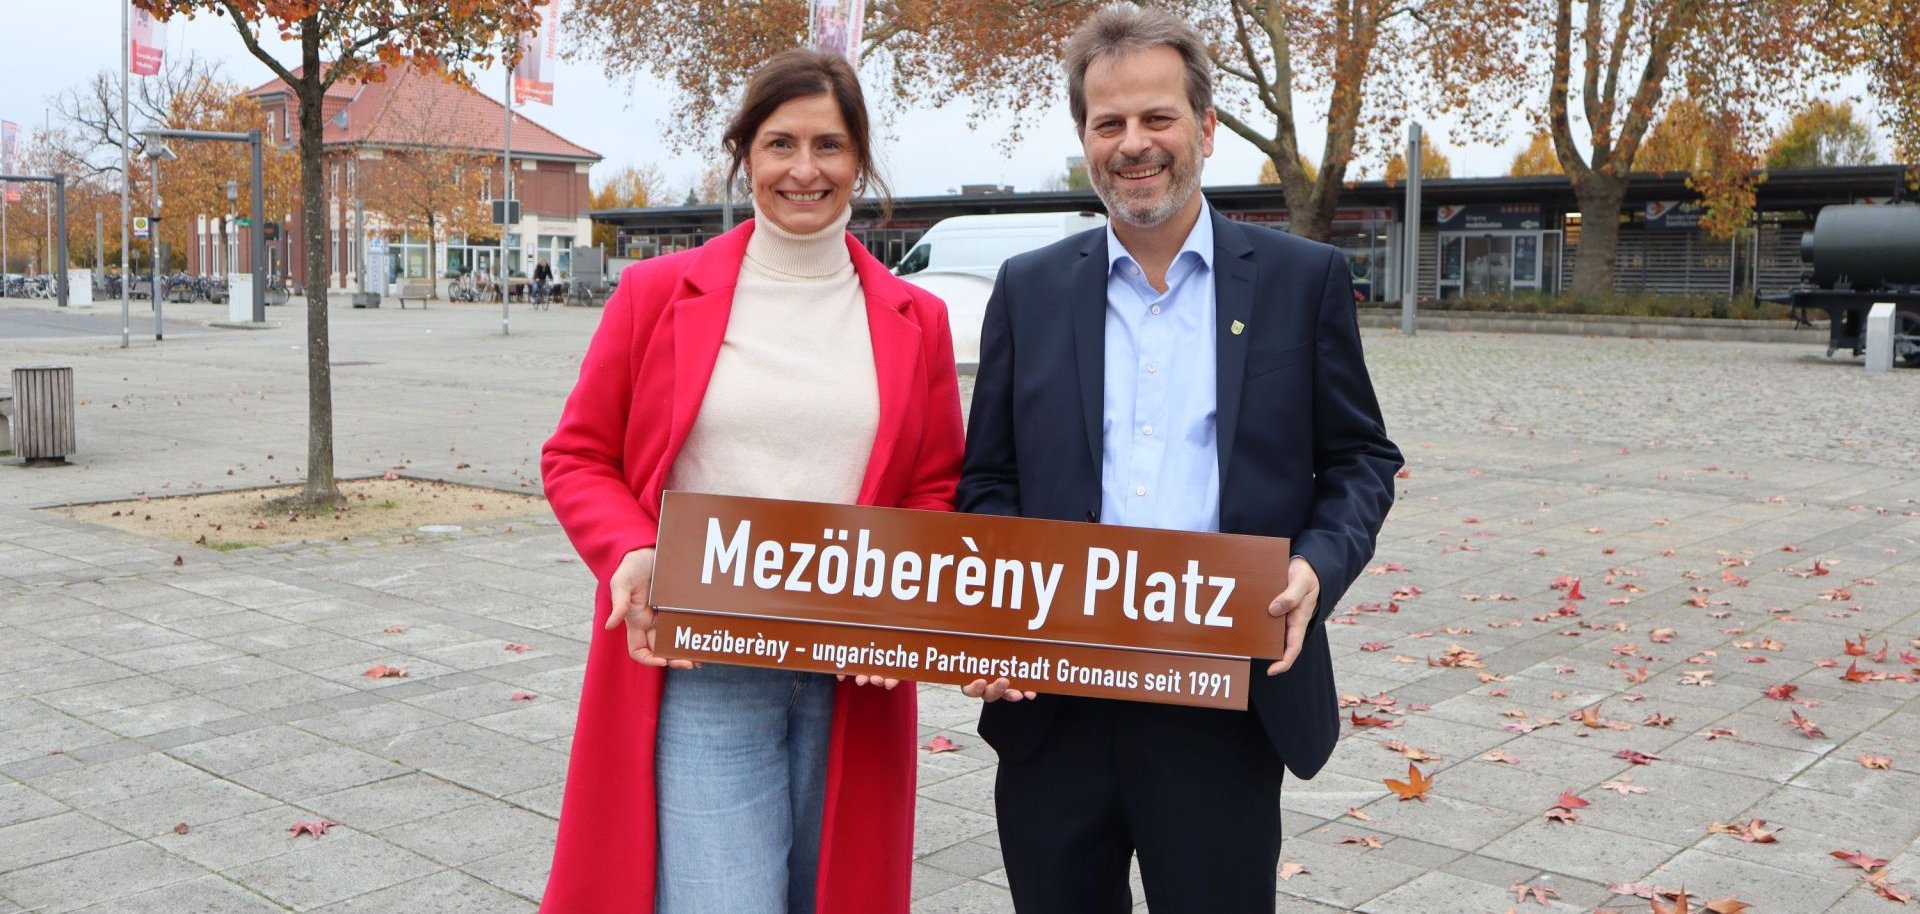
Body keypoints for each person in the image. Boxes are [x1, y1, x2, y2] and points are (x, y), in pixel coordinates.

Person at [956, 5, 1404, 912]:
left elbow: (1361, 456)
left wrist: (1319, 565)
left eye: (1156, 117)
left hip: (1223, 699)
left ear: (1203, 127)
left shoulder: (1299, 280)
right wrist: (1002, 612)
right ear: (1084, 135)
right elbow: (989, 481)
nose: (1133, 144)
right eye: (1108, 122)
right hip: (1056, 702)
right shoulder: (1029, 289)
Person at [538, 48, 964, 914]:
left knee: (832, 896)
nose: (804, 170)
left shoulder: (918, 320)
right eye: (780, 145)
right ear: (745, 156)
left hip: (854, 667)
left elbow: (934, 486)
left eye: (830, 146)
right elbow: (577, 455)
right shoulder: (659, 295)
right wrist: (630, 551)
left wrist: (906, 609)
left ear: (860, 162)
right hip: (705, 664)